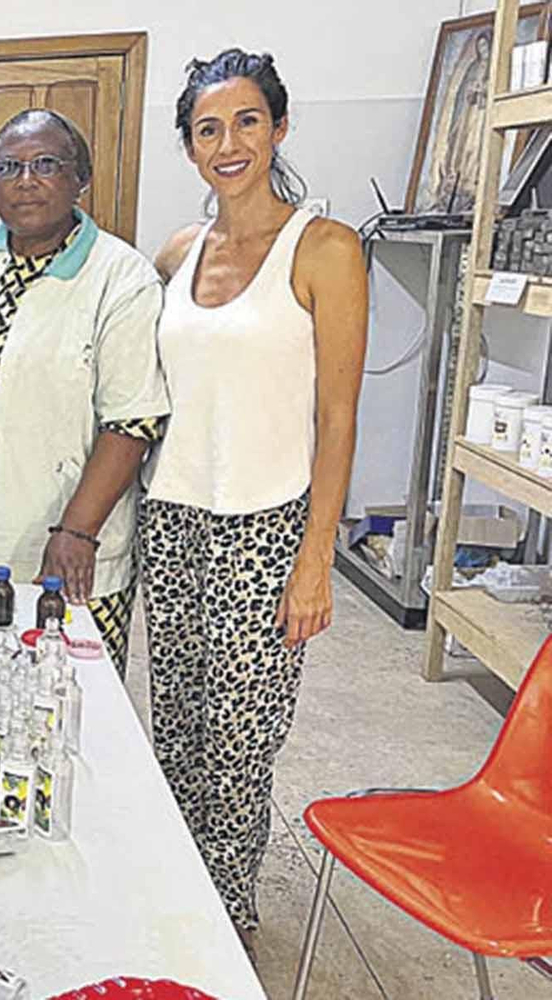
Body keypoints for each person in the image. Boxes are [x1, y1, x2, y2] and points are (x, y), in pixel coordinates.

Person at [143, 49, 366, 954]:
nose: (227, 143)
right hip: (176, 517)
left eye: (245, 122)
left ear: (278, 128)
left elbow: (340, 418)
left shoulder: (326, 249)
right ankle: (176, 895)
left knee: (241, 743)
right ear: (189, 147)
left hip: (269, 527)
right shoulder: (177, 253)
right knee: (179, 728)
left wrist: (317, 559)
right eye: (207, 128)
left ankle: (224, 925)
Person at [0, 109, 168, 671]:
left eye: (45, 164)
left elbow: (131, 422)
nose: (25, 179)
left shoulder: (120, 277)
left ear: (82, 179)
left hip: (63, 542)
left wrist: (77, 529)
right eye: (9, 167)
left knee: (64, 696)